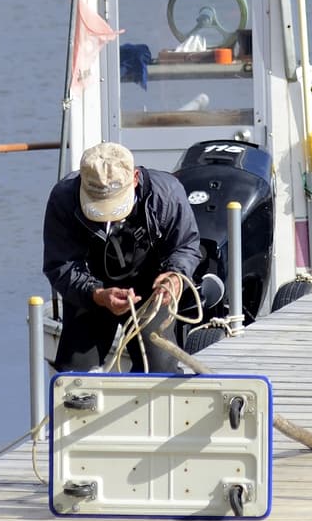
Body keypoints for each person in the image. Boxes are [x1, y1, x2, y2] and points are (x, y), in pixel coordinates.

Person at [42, 141, 202, 372]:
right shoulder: (63, 199)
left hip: (152, 292)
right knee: (73, 377)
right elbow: (61, 265)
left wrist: (175, 277)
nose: (108, 215)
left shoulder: (166, 194)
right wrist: (97, 294)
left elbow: (186, 246)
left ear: (135, 177)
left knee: (159, 368)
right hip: (89, 289)